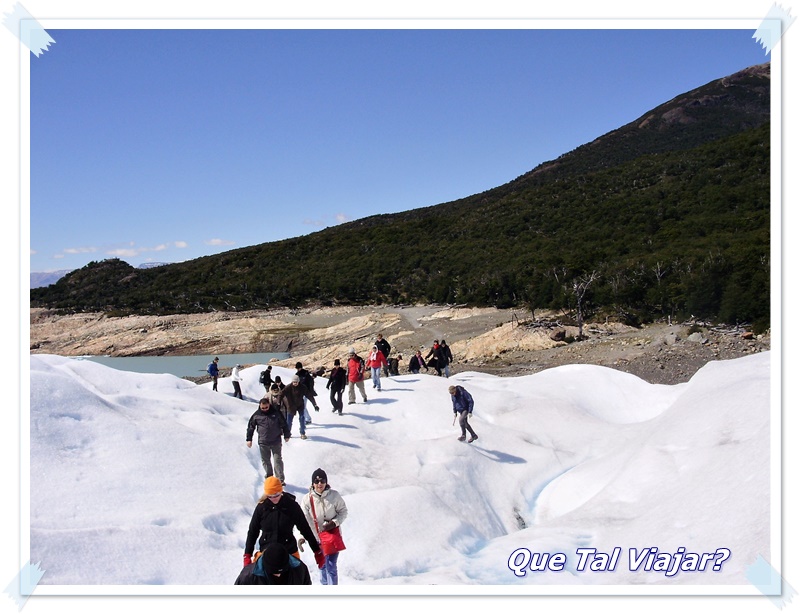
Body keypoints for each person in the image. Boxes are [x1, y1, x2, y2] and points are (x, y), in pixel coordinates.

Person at [243, 477, 325, 570]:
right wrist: (247, 555)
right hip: (267, 552)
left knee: (297, 577)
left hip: (288, 551)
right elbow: (253, 532)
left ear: (281, 491)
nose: (273, 499)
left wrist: (316, 551)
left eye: (276, 495)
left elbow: (305, 528)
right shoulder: (261, 508)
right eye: (270, 496)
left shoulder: (291, 506)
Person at [300, 468, 348, 586]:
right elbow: (303, 521)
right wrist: (302, 536)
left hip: (332, 537)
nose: (319, 484)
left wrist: (334, 522)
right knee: (322, 565)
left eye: (322, 481)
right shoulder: (307, 499)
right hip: (317, 539)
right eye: (316, 482)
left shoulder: (334, 496)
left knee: (331, 566)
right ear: (312, 484)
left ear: (326, 482)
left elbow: (343, 512)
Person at [246, 394, 291, 483]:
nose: (265, 409)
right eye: (263, 408)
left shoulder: (276, 413)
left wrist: (286, 434)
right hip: (263, 442)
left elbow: (284, 424)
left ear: (269, 405)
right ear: (260, 406)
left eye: (266, 407)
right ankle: (269, 477)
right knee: (266, 461)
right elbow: (251, 427)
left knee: (277, 460)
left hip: (276, 441)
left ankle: (280, 480)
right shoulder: (256, 415)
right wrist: (249, 439)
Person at [235, 542, 312, 585]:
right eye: (274, 572)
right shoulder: (248, 577)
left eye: (282, 572)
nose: (279, 575)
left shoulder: (299, 569)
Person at [282, 374, 320, 440]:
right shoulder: (288, 387)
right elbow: (281, 394)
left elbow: (309, 396)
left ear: (298, 381)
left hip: (300, 405)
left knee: (302, 419)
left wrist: (315, 405)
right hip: (291, 406)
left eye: (296, 382)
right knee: (289, 421)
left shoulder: (303, 387)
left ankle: (302, 433)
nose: (295, 383)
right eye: (294, 382)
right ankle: (288, 434)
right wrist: (278, 403)